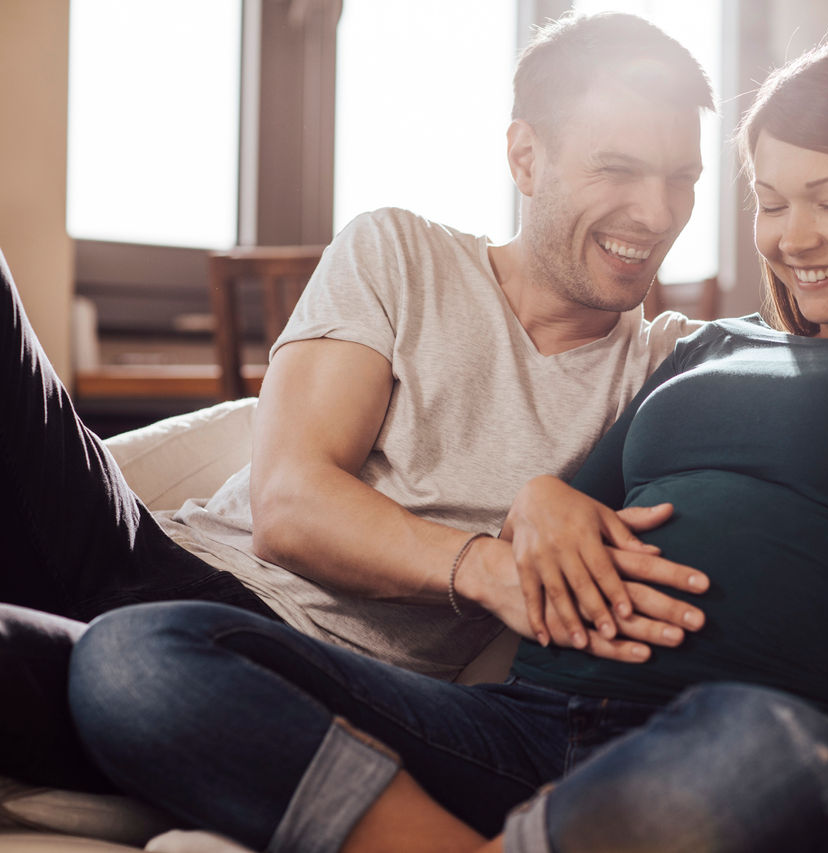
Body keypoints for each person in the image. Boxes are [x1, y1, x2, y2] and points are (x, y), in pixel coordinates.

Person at [68, 35, 828, 853]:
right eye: (770, 202)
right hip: (522, 728)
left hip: (726, 736)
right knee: (138, 655)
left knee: (778, 757)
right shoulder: (708, 348)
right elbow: (561, 501)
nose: (791, 236)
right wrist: (539, 503)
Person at [0, 11, 718, 793]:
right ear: (525, 156)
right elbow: (289, 505)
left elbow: (820, 350)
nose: (657, 213)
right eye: (617, 168)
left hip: (281, 669)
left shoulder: (668, 363)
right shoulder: (399, 251)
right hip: (144, 551)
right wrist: (487, 568)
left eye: (682, 178)